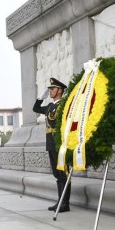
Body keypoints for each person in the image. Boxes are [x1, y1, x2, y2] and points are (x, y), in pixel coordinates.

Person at [33, 77, 71, 212]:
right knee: (57, 173)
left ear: (60, 91)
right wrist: (41, 97)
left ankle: (65, 203)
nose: (50, 91)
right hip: (50, 143)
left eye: (53, 89)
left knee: (63, 173)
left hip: (60, 143)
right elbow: (36, 108)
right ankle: (60, 201)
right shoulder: (50, 106)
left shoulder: (64, 105)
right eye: (49, 89)